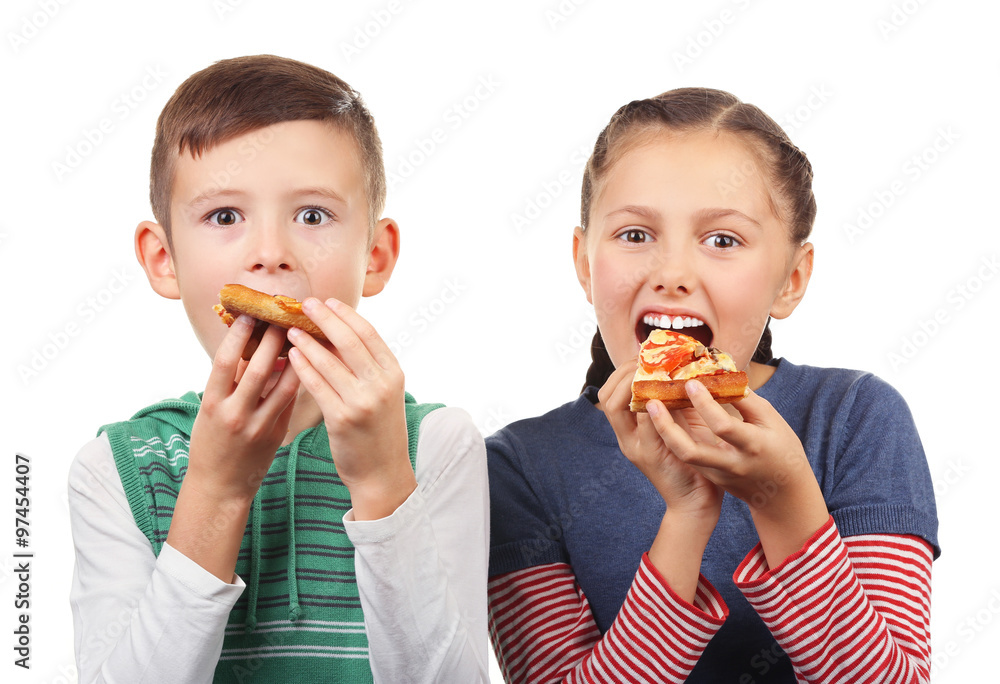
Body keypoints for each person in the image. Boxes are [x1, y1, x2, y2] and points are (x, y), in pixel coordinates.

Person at [486, 88, 938, 683]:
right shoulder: (520, 466)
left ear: (791, 279)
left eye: (722, 240)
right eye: (635, 234)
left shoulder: (855, 419)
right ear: (583, 264)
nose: (672, 273)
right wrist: (686, 515)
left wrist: (782, 499)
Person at [68, 55, 489, 683]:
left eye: (313, 216)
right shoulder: (119, 468)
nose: (271, 254)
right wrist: (216, 490)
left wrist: (380, 484)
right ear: (164, 259)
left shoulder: (437, 446)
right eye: (225, 217)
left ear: (375, 256)